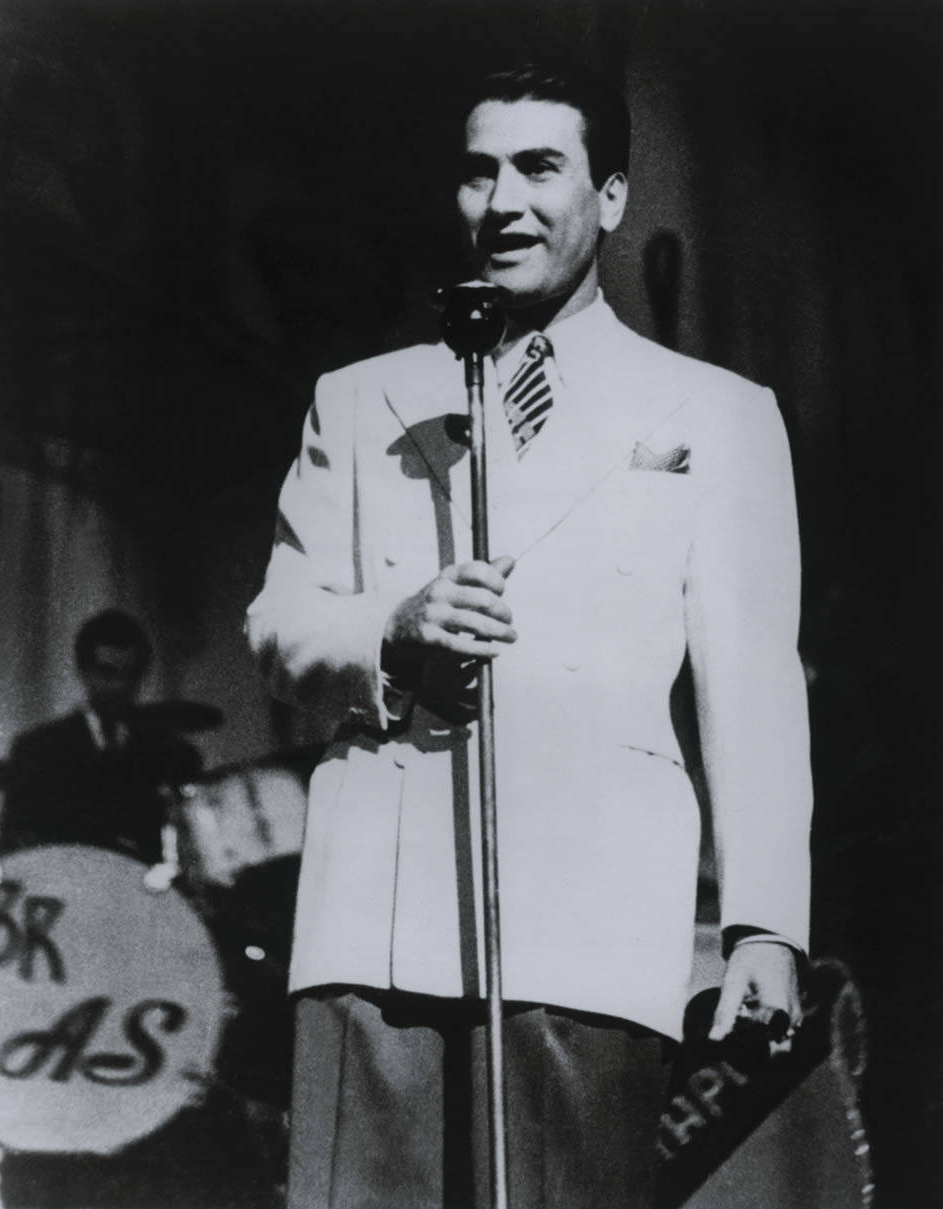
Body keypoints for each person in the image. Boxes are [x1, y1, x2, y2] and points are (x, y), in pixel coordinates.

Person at [246, 63, 813, 1209]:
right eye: (476, 171)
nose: (501, 200)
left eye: (538, 167)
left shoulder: (717, 414)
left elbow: (752, 684)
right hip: (379, 918)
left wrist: (766, 927)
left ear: (607, 197)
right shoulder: (361, 400)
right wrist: (387, 635)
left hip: (594, 918)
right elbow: (280, 622)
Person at [0, 608, 200, 865]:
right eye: (107, 673)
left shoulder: (173, 754)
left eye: (131, 675)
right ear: (82, 670)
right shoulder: (37, 749)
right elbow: (14, 850)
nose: (120, 686)